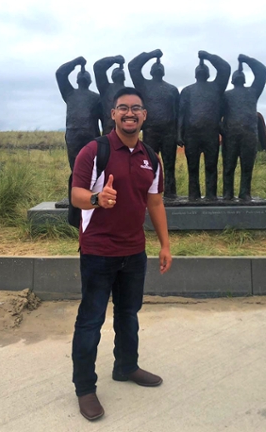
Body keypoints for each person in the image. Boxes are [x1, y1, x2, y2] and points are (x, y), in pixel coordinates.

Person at [70, 87, 173, 421]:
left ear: (144, 115)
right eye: (123, 108)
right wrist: (98, 199)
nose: (130, 114)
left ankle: (126, 367)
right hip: (99, 251)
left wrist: (165, 244)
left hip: (134, 252)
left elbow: (155, 202)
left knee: (128, 315)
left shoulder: (150, 157)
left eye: (137, 109)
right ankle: (85, 387)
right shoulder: (94, 150)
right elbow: (76, 195)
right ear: (112, 114)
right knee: (91, 320)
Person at [178, 50, 230, 201]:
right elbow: (181, 114)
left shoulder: (216, 87)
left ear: (208, 74)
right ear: (195, 74)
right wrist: (179, 134)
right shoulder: (187, 91)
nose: (202, 70)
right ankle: (193, 196)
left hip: (211, 134)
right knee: (192, 167)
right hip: (191, 135)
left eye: (205, 69)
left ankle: (211, 195)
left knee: (211, 166)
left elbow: (224, 68)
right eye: (199, 69)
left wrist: (207, 56)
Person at [129, 49, 180, 198]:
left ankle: (171, 194)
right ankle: (149, 193)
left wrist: (178, 134)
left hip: (169, 132)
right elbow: (133, 66)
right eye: (155, 66)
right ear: (150, 71)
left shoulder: (172, 90)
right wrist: (151, 55)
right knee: (148, 165)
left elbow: (177, 113)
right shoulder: (143, 85)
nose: (158, 68)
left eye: (160, 67)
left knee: (169, 165)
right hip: (150, 131)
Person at [221, 54, 266, 201]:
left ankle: (244, 193)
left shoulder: (252, 92)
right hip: (231, 135)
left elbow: (262, 71)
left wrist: (247, 60)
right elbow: (216, 115)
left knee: (247, 167)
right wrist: (223, 132)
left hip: (248, 135)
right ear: (234, 80)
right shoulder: (225, 96)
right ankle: (227, 193)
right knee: (229, 166)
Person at [55, 56, 102, 171]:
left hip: (76, 135)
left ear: (77, 81)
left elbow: (60, 74)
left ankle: (81, 186)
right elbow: (103, 118)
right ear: (90, 81)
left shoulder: (70, 94)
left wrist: (76, 62)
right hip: (86, 135)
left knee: (79, 167)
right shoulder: (95, 97)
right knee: (88, 168)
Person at [94, 55, 127, 134]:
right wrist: (114, 59)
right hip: (109, 130)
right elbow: (98, 67)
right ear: (112, 77)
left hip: (127, 130)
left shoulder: (130, 92)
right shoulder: (106, 88)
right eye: (115, 71)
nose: (119, 71)